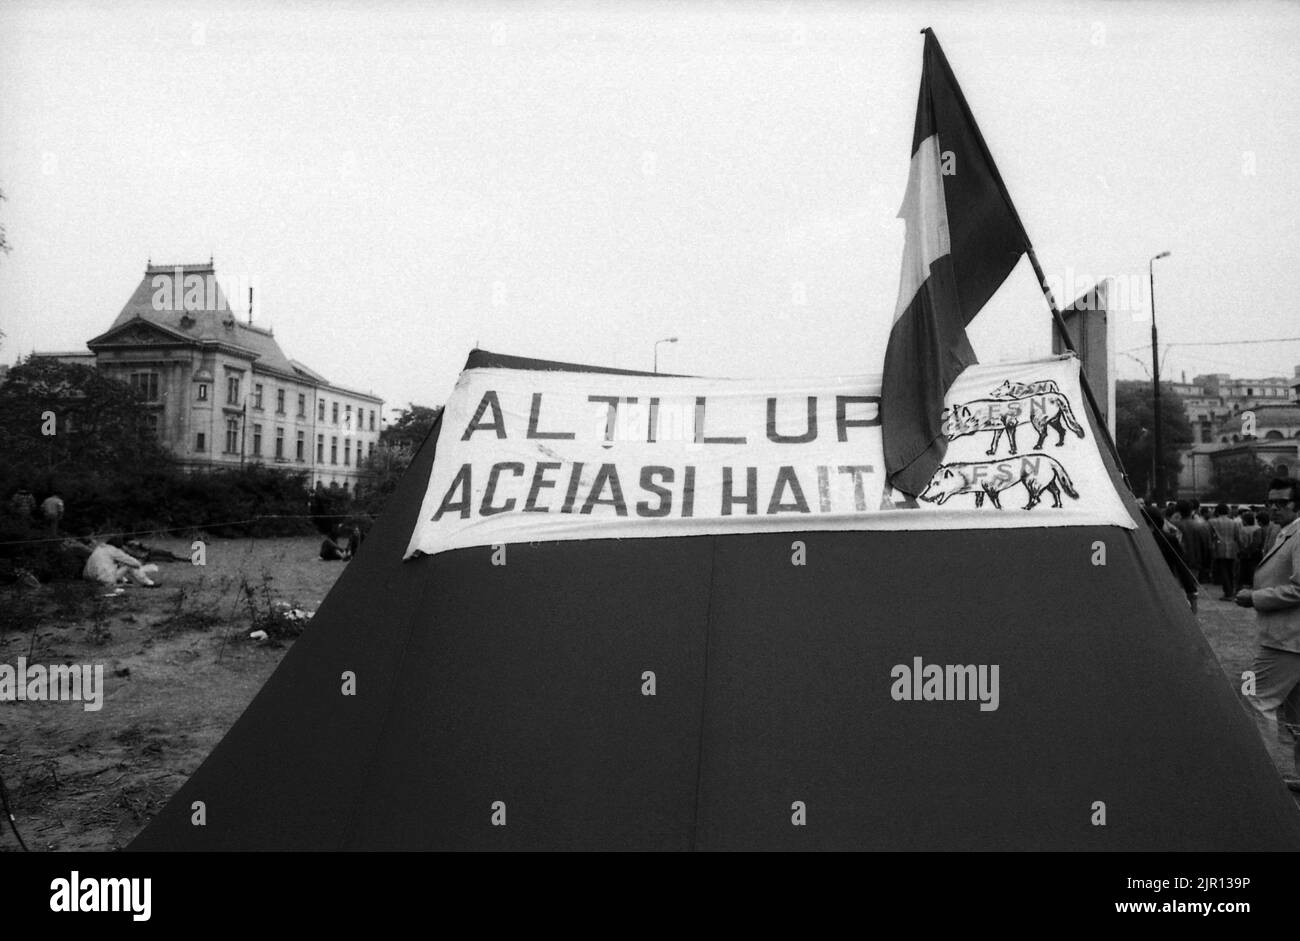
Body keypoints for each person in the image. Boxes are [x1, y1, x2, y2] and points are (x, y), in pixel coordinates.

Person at [1235, 477, 1300, 792]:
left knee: (1258, 699)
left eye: (1281, 503)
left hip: (1287, 639)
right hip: (1289, 637)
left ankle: (1261, 784)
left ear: (1295, 504)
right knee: (1296, 716)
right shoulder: (1286, 532)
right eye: (1270, 502)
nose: (1273, 507)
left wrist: (1255, 597)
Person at [83, 542, 159, 587]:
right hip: (104, 579)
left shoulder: (99, 548)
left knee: (116, 565)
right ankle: (149, 583)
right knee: (128, 565)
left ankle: (124, 581)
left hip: (90, 578)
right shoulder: (114, 550)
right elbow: (135, 563)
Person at [1208, 503, 1243, 600]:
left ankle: (1228, 593)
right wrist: (1241, 549)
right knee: (1231, 570)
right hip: (1232, 548)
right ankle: (1231, 590)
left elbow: (1210, 537)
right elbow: (1237, 537)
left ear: (1217, 511)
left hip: (1219, 548)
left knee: (1223, 571)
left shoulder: (1212, 522)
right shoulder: (1234, 522)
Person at [1239, 511, 1261, 589]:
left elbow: (1242, 542)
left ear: (1245, 521)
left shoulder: (1243, 530)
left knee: (1244, 571)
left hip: (1246, 554)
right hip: (1256, 553)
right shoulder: (1258, 528)